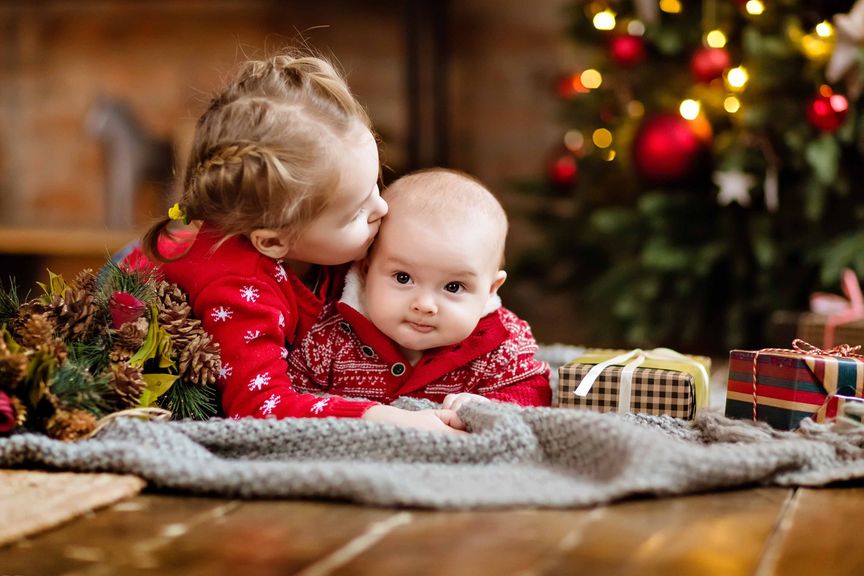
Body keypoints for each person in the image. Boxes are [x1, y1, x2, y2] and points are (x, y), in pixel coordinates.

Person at [126, 52, 466, 434]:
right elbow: (259, 407)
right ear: (274, 240)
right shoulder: (239, 289)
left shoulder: (318, 243)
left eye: (376, 183)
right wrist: (384, 417)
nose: (381, 207)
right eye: (355, 212)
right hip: (124, 327)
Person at [288, 169, 551, 409]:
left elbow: (533, 398)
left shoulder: (503, 342)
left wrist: (485, 407)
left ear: (490, 289)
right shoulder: (329, 333)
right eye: (403, 278)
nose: (424, 304)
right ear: (366, 269)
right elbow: (293, 398)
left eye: (453, 286)